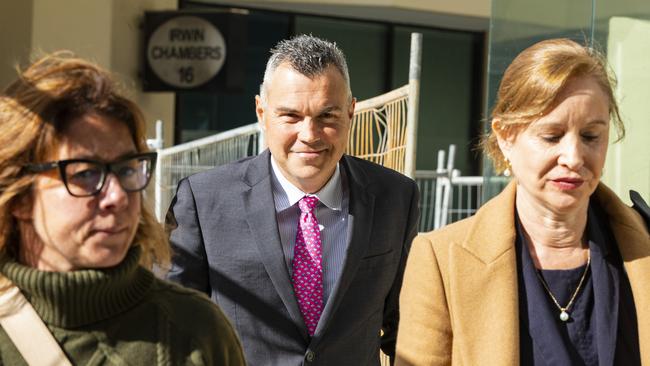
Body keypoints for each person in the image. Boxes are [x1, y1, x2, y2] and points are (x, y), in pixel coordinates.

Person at [166, 34, 420, 365]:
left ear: (351, 112)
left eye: (327, 116)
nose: (309, 134)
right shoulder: (203, 201)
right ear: (261, 112)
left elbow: (406, 324)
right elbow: (172, 325)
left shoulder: (395, 197)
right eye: (291, 116)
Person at [395, 38, 650, 365]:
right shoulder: (441, 261)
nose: (573, 157)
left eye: (590, 136)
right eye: (552, 136)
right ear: (505, 137)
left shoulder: (642, 246)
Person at [0, 52, 246, 365]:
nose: (117, 196)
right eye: (85, 173)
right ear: (19, 196)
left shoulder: (195, 330)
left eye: (127, 169)